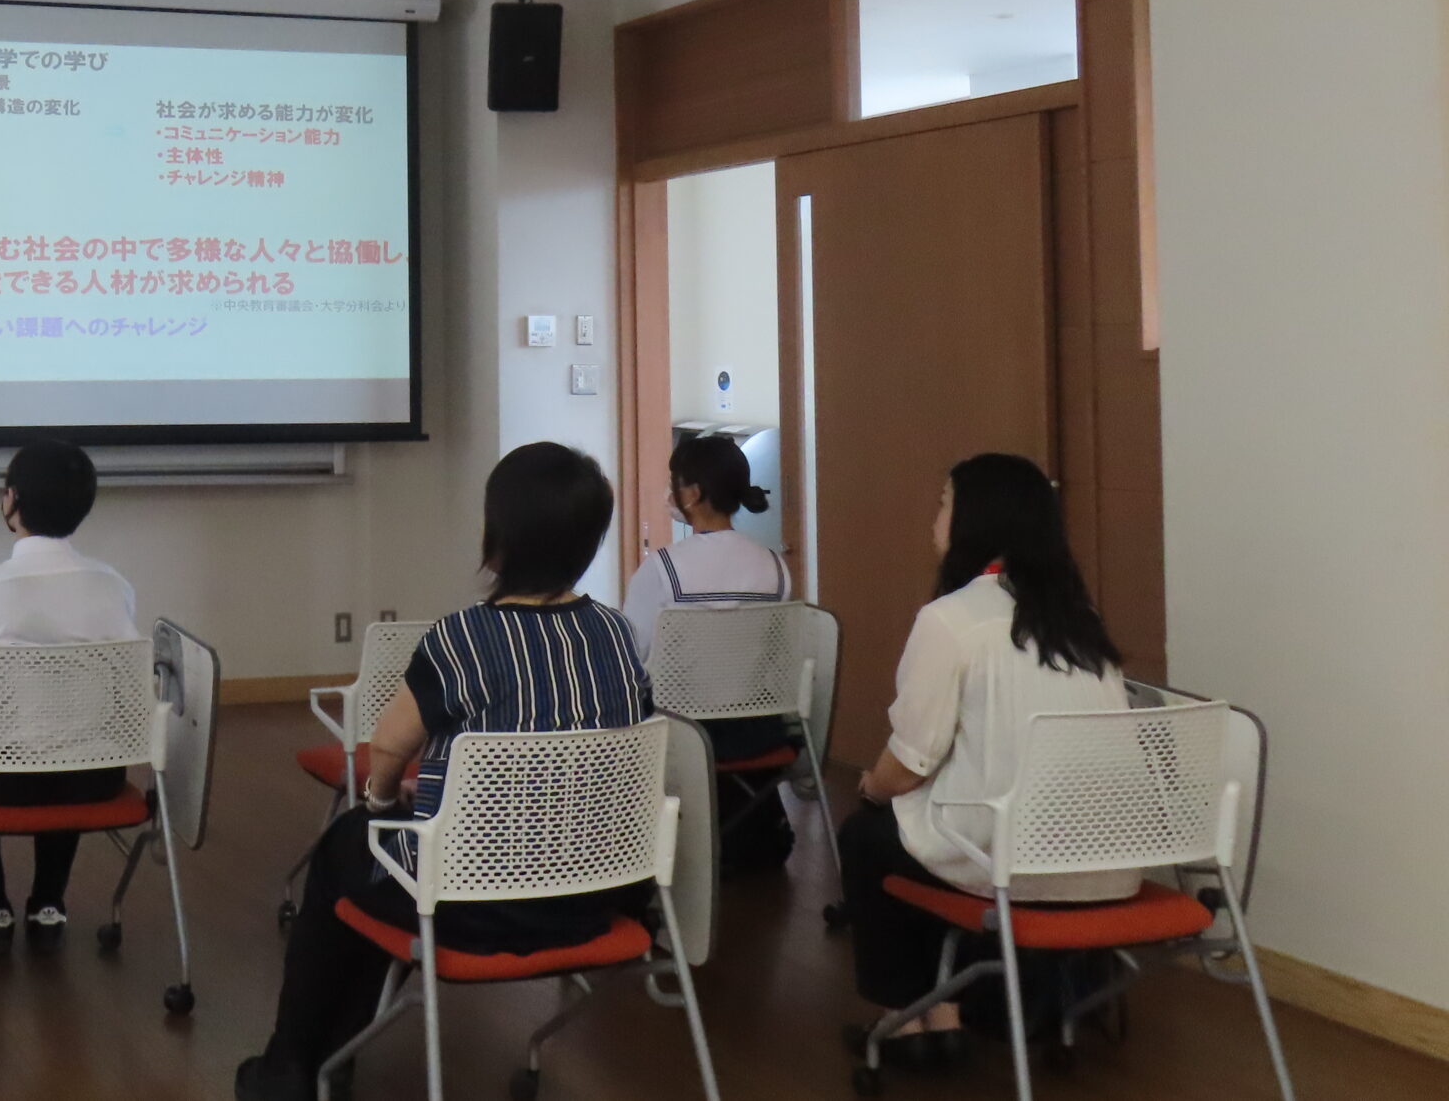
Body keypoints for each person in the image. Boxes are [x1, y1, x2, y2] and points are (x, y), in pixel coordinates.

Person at [235, 443, 653, 1101]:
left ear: (498, 539)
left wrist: (382, 799)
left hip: (471, 905)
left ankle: (289, 1065)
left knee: (351, 845)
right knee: (381, 858)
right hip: (592, 898)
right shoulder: (618, 635)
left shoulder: (462, 639)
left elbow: (387, 750)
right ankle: (334, 1052)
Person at [837, 453, 1135, 1071]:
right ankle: (946, 1013)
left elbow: (910, 764)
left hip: (1013, 865)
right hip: (1112, 862)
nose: (935, 519)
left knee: (871, 833)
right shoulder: (1080, 621)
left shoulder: (950, 620)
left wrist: (872, 786)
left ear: (976, 519)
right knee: (921, 832)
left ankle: (912, 1022)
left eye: (944, 503)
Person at [0, 438, 138, 950]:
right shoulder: (115, 588)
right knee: (71, 737)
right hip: (96, 778)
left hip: (0, 783)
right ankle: (48, 902)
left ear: (11, 500)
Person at [621, 432, 796, 867]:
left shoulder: (662, 568)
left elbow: (631, 656)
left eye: (675, 483)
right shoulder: (775, 566)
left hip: (682, 733)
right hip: (760, 731)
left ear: (693, 494)